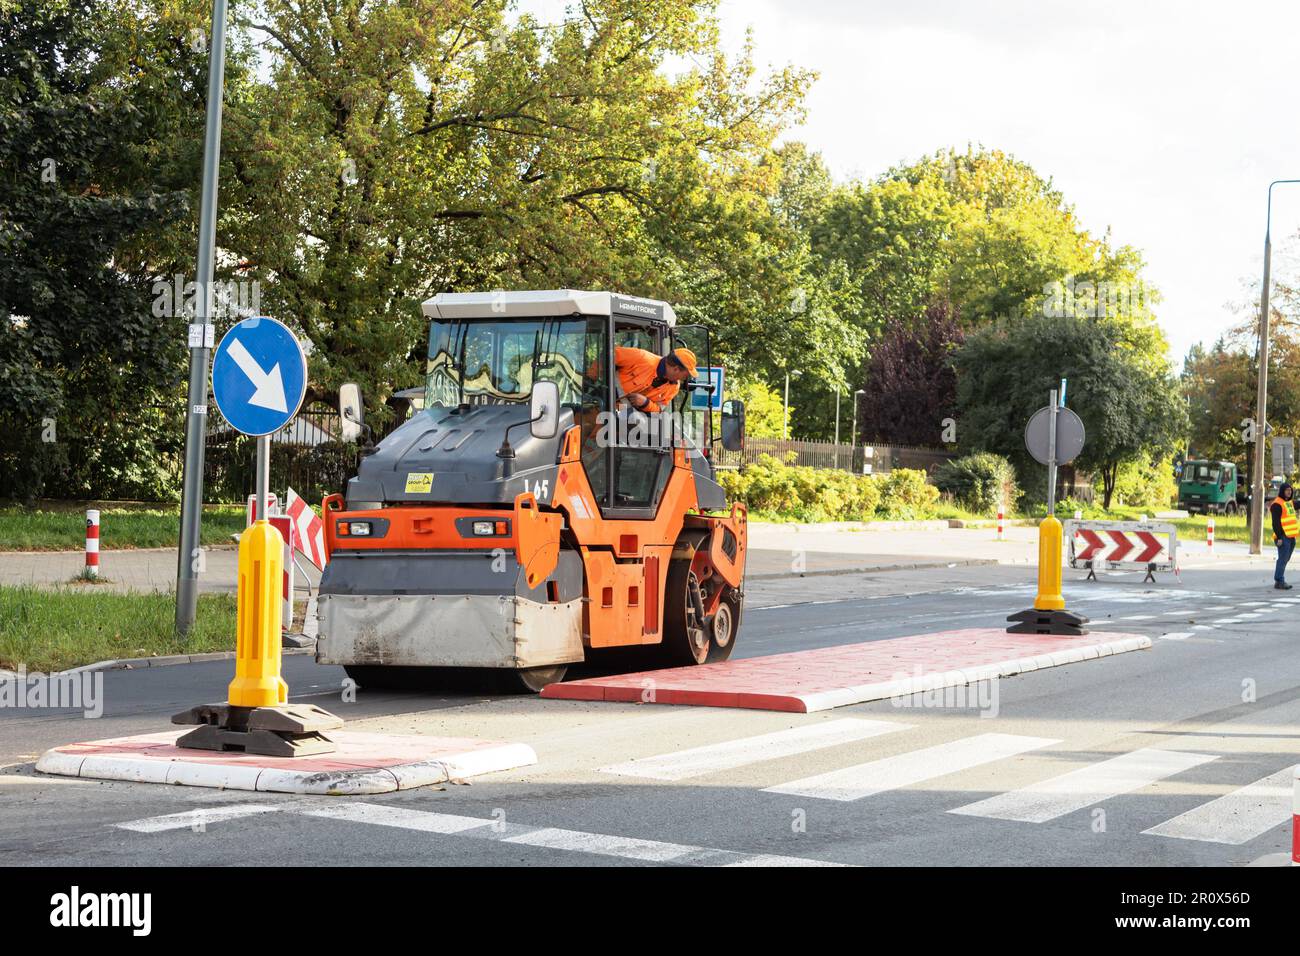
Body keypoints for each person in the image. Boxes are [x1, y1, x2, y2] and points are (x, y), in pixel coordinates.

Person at [613, 346, 697, 413]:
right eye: (685, 375)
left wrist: (645, 403)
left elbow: (659, 409)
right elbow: (607, 355)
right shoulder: (641, 357)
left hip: (617, 411)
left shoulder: (674, 387)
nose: (684, 379)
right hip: (602, 396)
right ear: (676, 369)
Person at [1270, 482, 1297, 589]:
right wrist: (1279, 537)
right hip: (1282, 537)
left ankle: (1279, 579)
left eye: (1290, 490)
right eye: (1287, 490)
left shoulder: (1289, 502)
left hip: (1291, 536)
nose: (1289, 492)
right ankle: (1279, 580)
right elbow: (1275, 523)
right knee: (1282, 558)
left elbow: (1297, 504)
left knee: (1285, 558)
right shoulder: (1277, 504)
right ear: (1282, 491)